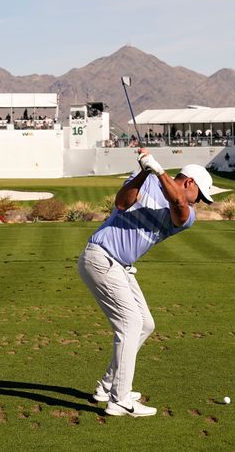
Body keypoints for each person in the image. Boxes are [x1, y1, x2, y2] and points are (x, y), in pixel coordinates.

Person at [77, 148, 214, 418]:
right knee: (130, 324)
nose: (198, 203)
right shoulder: (148, 179)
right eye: (200, 196)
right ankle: (120, 399)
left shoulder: (187, 214)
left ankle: (107, 386)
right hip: (101, 258)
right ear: (190, 183)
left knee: (145, 324)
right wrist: (143, 171)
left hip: (121, 267)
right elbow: (121, 203)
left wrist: (158, 170)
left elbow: (178, 205)